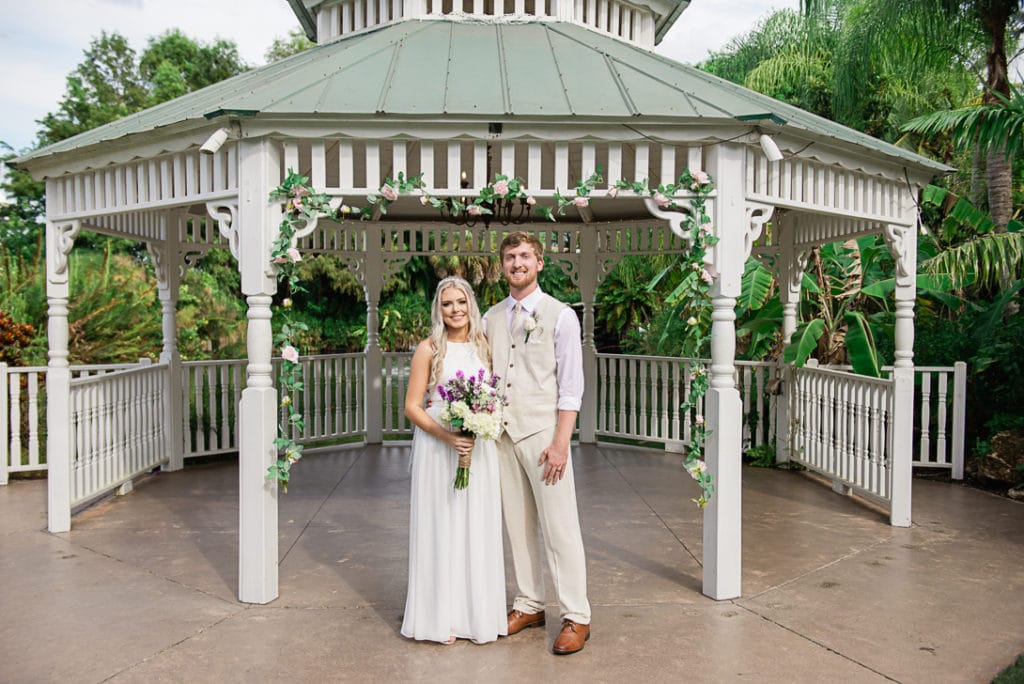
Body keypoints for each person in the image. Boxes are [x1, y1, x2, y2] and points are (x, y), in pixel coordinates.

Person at [484, 232, 591, 655]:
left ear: (539, 263)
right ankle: (529, 603)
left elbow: (570, 387)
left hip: (544, 436)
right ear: (503, 265)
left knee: (560, 528)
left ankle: (577, 616)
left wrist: (561, 443)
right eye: (510, 257)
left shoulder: (561, 316)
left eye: (525, 255)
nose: (517, 263)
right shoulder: (491, 317)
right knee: (518, 526)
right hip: (503, 436)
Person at [401, 277, 507, 645]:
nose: (456, 310)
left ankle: (476, 615)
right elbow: (412, 407)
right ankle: (438, 618)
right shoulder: (428, 349)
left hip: (479, 451)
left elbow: (494, 394)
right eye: (448, 304)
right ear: (439, 309)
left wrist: (481, 425)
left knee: (476, 528)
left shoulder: (486, 346)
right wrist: (449, 437)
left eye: (461, 302)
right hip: (438, 449)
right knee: (441, 527)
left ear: (471, 304)